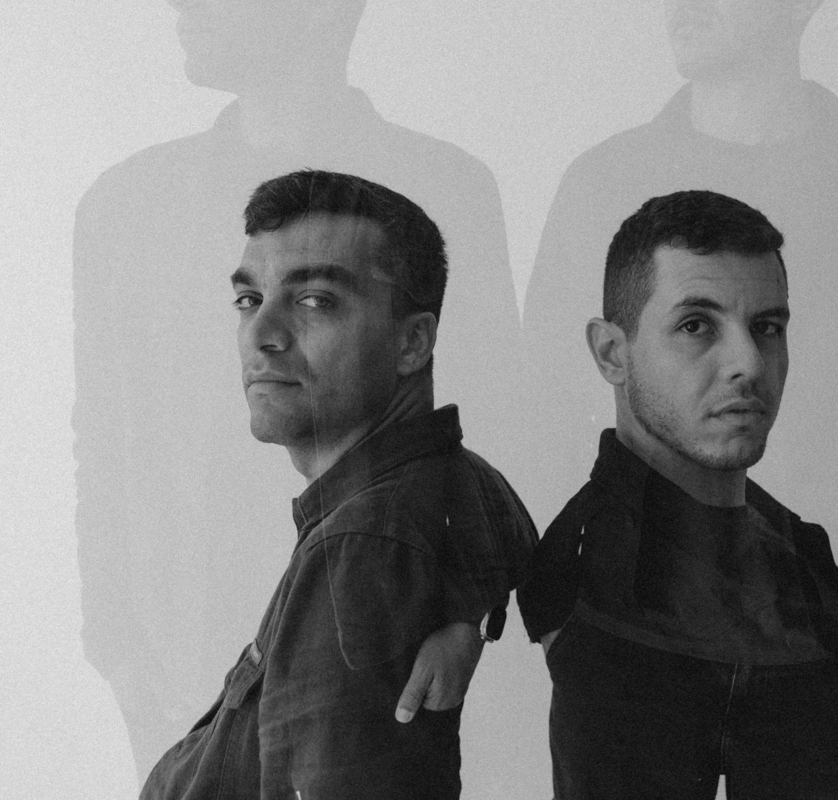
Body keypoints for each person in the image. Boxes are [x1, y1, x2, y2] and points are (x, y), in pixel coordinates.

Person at [519, 3, 838, 794]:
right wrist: (564, 625)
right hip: (635, 645)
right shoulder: (602, 179)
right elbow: (537, 414)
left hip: (833, 651)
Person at [72, 0, 524, 779]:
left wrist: (467, 616)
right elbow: (103, 437)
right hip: (183, 668)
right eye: (248, 300)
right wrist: (116, 648)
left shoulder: (446, 186)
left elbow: (494, 424)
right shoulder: (128, 203)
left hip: (374, 647)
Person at [518, 190, 838, 799]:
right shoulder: (594, 581)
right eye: (696, 326)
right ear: (612, 353)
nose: (749, 363)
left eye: (767, 328)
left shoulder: (797, 558)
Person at [140, 170, 536, 798]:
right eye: (249, 300)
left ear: (412, 342)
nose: (261, 336)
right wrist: (468, 620)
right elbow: (503, 534)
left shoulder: (357, 548)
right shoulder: (456, 478)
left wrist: (467, 623)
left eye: (315, 300)